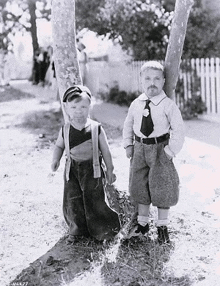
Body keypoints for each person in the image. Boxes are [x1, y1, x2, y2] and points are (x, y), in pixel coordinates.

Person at [123, 61, 185, 244]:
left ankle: (162, 226)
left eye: (157, 79)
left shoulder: (168, 105)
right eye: (148, 78)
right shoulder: (136, 104)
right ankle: (142, 225)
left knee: (162, 185)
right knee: (139, 185)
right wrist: (128, 145)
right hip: (139, 148)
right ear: (141, 81)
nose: (152, 83)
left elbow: (179, 130)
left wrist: (170, 151)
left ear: (163, 81)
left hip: (160, 149)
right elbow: (128, 124)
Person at [51, 85, 120, 243]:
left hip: (92, 170)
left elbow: (106, 151)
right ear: (66, 108)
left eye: (83, 106)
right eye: (73, 107)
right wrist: (56, 159)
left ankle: (103, 231)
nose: (78, 110)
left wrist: (110, 169)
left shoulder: (96, 128)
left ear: (90, 106)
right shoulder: (66, 129)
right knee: (72, 200)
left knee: (94, 200)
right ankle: (77, 230)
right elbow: (59, 146)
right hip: (72, 171)